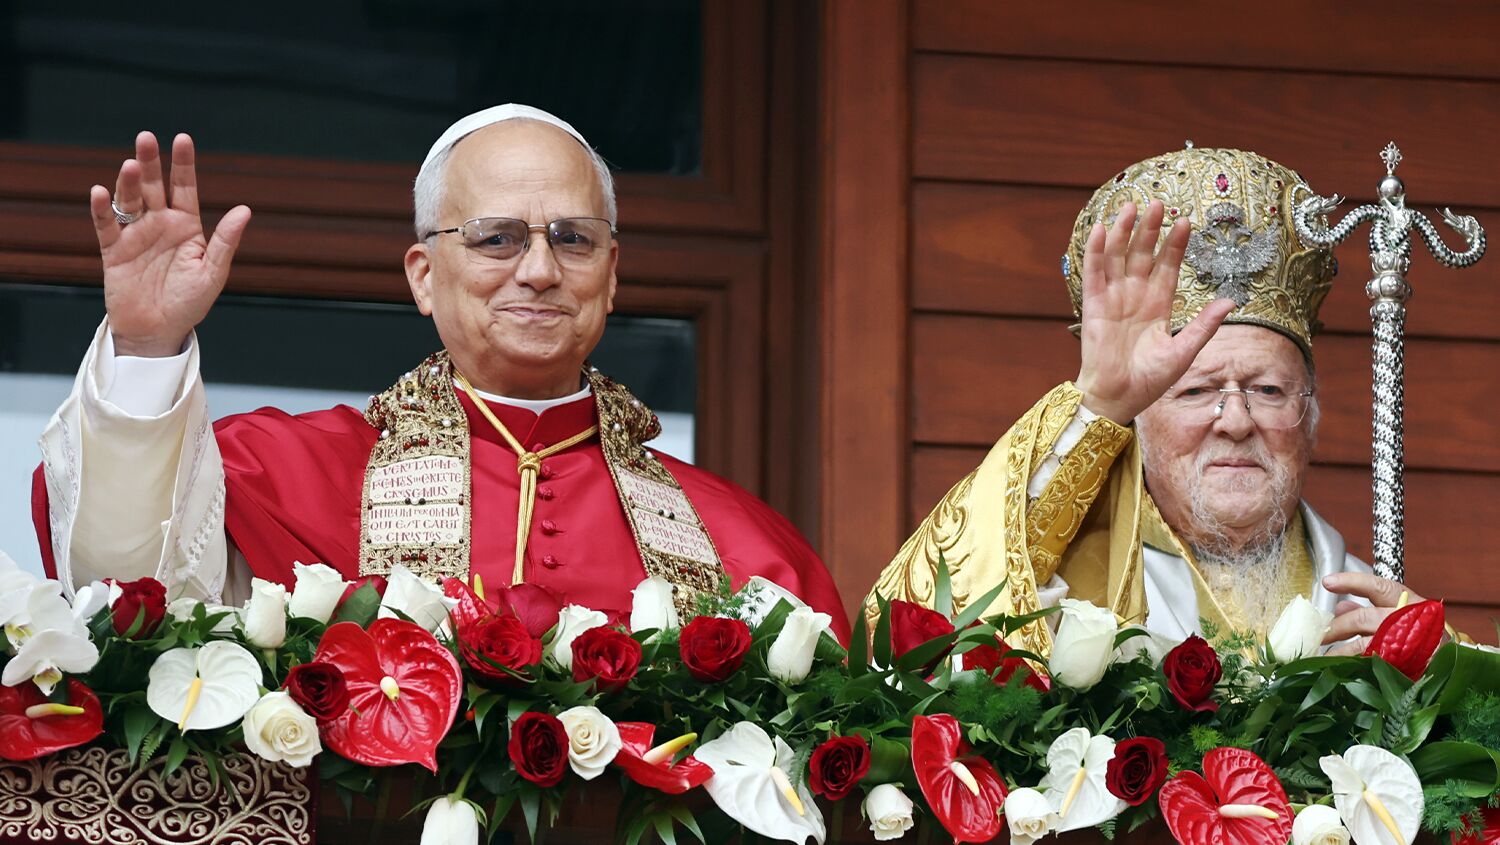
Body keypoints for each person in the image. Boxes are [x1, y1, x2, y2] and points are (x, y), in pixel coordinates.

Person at [31, 104, 850, 639]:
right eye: (497, 238)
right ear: (424, 276)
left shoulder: (746, 546)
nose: (539, 270)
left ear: (611, 275)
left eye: (573, 239)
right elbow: (130, 595)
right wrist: (148, 345)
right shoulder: (285, 475)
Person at [868, 145, 1429, 657]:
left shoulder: (1374, 617)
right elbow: (919, 632)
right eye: (1197, 390)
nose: (1236, 421)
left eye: (1268, 391)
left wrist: (1430, 662)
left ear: (1309, 422)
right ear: (1137, 424)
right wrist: (1099, 403)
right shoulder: (1053, 586)